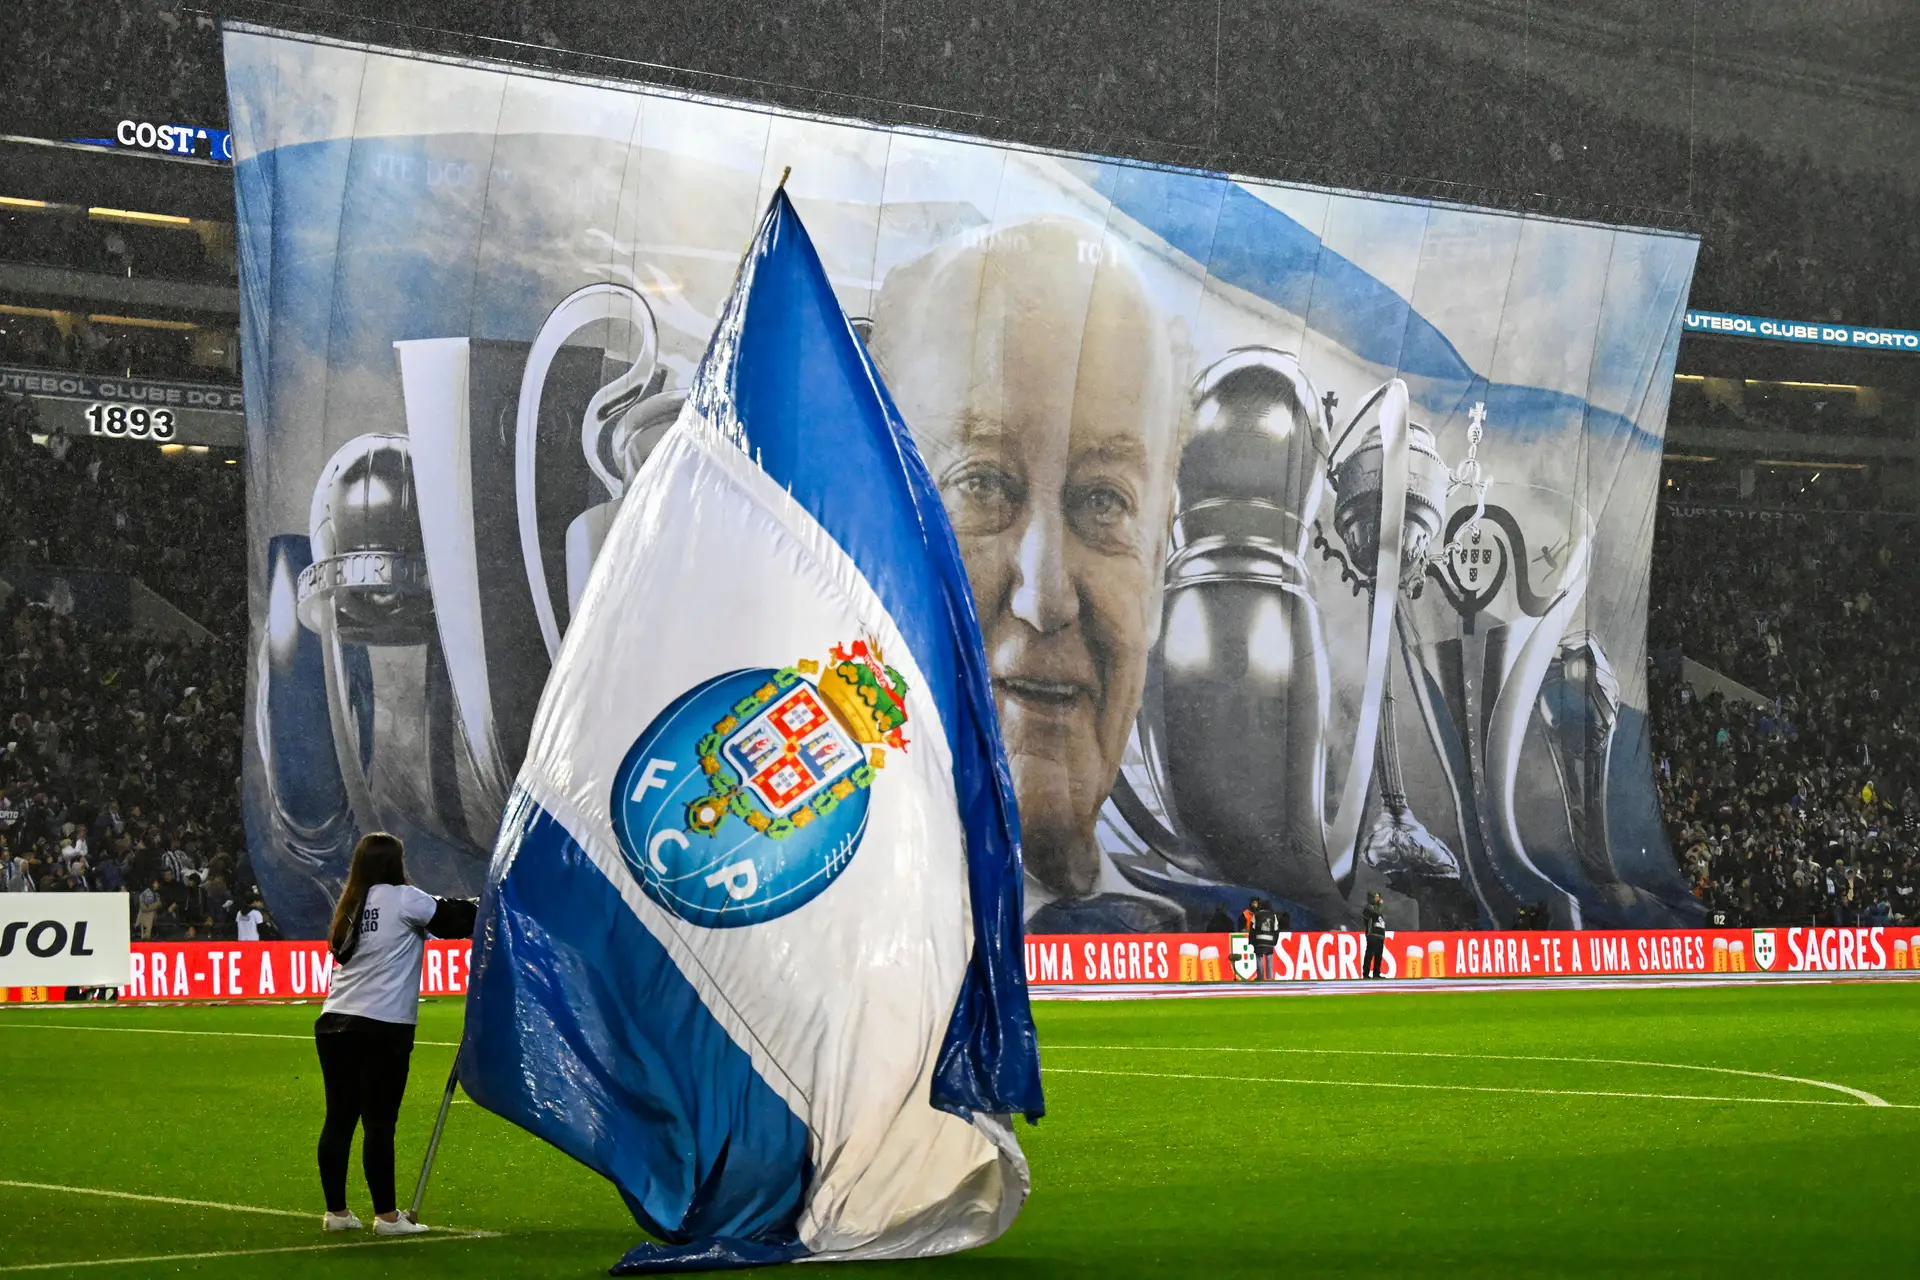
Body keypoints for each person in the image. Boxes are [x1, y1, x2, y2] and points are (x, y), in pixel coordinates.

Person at [869, 218, 1182, 929]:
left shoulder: (1212, 931)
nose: (1046, 596)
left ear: (1159, 566)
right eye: (982, 484)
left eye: (1105, 500)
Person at [314, 832, 476, 1235]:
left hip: (334, 1021)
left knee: (339, 1119)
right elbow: (457, 920)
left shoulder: (350, 904)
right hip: (382, 1025)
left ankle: (336, 1214)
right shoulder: (405, 898)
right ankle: (387, 1217)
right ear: (395, 862)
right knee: (380, 1122)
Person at [1249, 898, 1281, 981]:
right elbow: (1276, 929)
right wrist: (1275, 941)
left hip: (1259, 939)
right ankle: (1270, 977)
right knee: (1269, 957)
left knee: (1259, 958)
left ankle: (1260, 977)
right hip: (1270, 940)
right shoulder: (1273, 915)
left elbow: (1252, 929)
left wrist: (1251, 941)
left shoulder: (1256, 915)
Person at [1362, 892, 1387, 979]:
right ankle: (1366, 973)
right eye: (1376, 897)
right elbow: (1377, 912)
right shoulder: (1369, 907)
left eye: (1378, 897)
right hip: (1372, 934)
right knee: (1369, 954)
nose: (1378, 899)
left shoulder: (1378, 908)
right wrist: (1381, 905)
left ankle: (1376, 973)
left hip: (1380, 935)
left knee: (1378, 955)